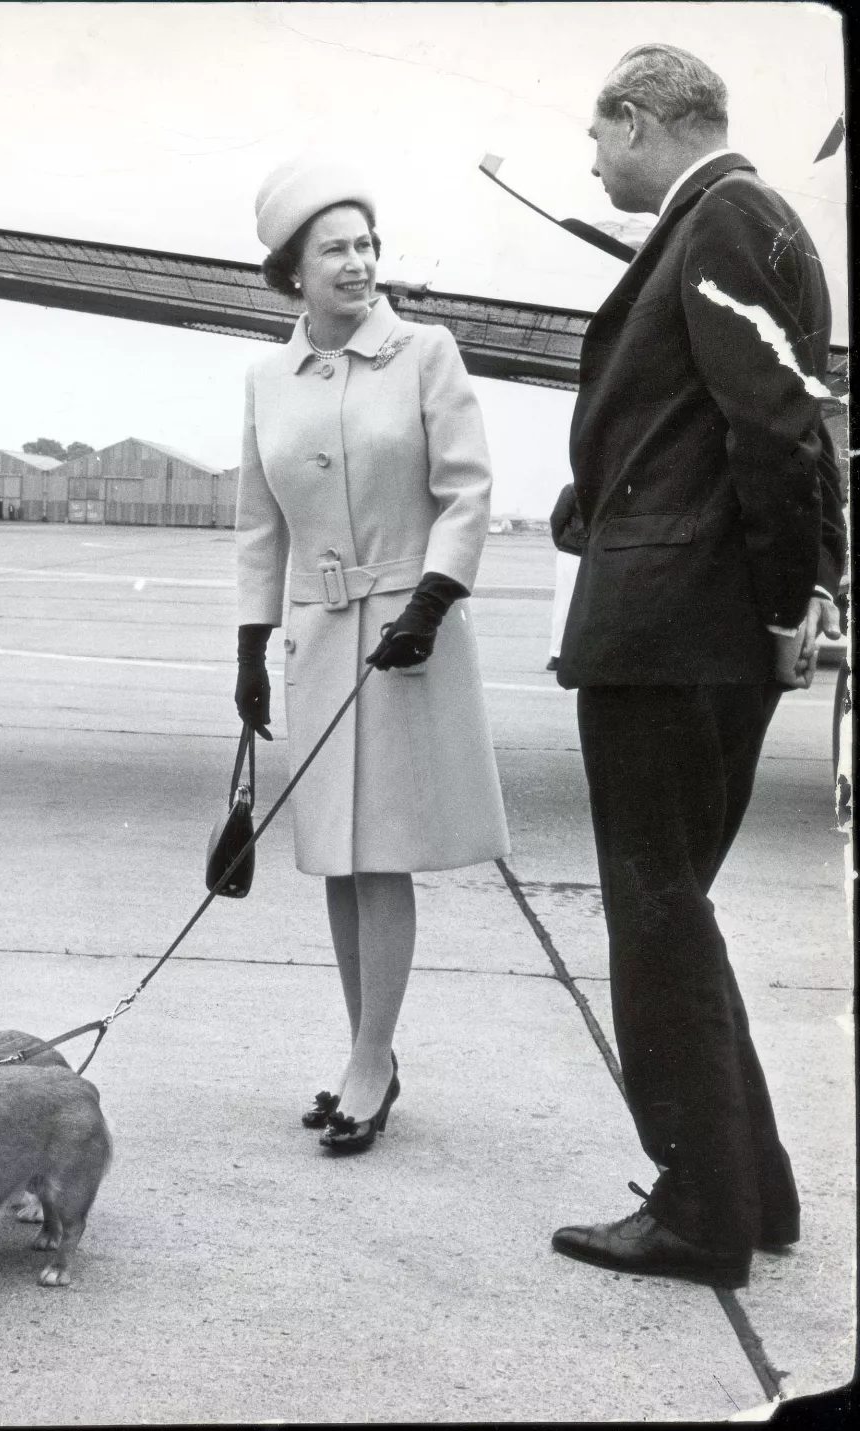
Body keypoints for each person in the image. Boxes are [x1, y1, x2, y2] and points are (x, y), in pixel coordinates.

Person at [551, 45, 845, 1287]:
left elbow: (779, 432)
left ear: (638, 119)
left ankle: (698, 1214)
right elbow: (725, 425)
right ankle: (750, 1191)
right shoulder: (738, 222)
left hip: (680, 634)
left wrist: (796, 601)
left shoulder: (724, 219)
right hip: (698, 619)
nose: (594, 158)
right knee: (680, 915)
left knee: (656, 920)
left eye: (600, 135)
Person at [234, 158, 510, 1154]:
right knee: (337, 862)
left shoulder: (426, 352)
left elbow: (468, 490)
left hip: (406, 634)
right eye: (334, 250)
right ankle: (370, 1055)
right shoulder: (269, 379)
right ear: (291, 273)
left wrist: (434, 598)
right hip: (317, 635)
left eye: (366, 246)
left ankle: (369, 1061)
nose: (357, 265)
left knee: (381, 852)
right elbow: (258, 527)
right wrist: (250, 647)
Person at [547, 482, 586, 671]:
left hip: (570, 552)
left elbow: (557, 520)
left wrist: (563, 542)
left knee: (564, 603)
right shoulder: (607, 486)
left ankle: (557, 655)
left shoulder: (572, 489)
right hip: (588, 553)